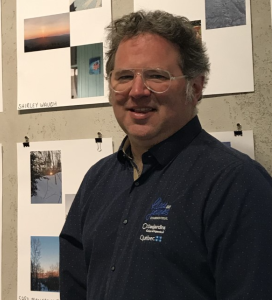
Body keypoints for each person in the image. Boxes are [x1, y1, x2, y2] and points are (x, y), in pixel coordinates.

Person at [60, 10, 272, 300]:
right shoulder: (97, 180)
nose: (137, 91)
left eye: (156, 76)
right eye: (123, 77)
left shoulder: (236, 185)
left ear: (195, 88)